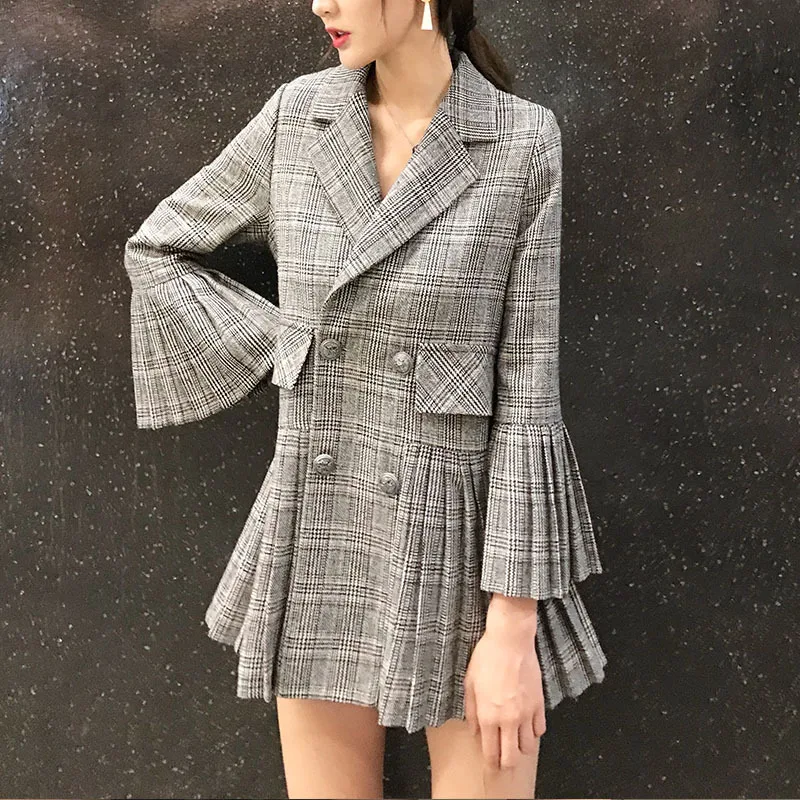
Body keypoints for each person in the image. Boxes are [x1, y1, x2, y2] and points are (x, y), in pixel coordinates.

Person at [123, 0, 607, 797]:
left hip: (460, 539)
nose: (321, 4)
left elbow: (527, 398)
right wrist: (291, 347)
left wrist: (513, 627)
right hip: (321, 514)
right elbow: (159, 249)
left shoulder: (520, 141)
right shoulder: (299, 118)